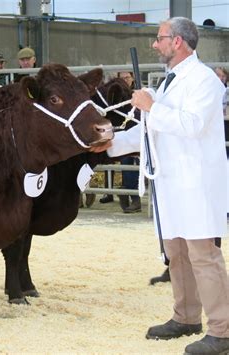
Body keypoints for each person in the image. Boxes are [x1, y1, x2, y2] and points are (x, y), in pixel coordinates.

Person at [93, 17, 228, 355]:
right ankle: (185, 317)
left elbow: (192, 125)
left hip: (196, 184)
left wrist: (152, 106)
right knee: (177, 256)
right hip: (170, 186)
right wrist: (110, 144)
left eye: (160, 38)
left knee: (204, 257)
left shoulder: (205, 81)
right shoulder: (169, 82)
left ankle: (223, 331)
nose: (155, 44)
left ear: (178, 41)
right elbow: (152, 132)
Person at [116, 71, 141, 213]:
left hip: (136, 131)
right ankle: (128, 195)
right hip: (124, 133)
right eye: (122, 78)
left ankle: (134, 197)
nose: (125, 80)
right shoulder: (117, 96)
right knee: (126, 164)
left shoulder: (137, 94)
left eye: (127, 77)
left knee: (136, 166)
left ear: (132, 79)